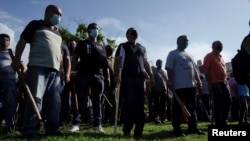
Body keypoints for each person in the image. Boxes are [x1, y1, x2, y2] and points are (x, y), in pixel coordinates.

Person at [11, 4, 63, 137]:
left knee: (54, 101)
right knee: (36, 98)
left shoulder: (57, 32)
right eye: (57, 14)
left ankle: (52, 128)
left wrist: (61, 68)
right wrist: (17, 60)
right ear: (48, 13)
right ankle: (29, 129)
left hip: (55, 71)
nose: (59, 17)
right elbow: (22, 42)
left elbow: (59, 53)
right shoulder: (35, 25)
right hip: (38, 67)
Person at [113, 27, 154, 139]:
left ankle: (139, 131)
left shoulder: (142, 48)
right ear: (127, 35)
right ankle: (127, 130)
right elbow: (117, 61)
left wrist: (151, 76)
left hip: (140, 79)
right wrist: (116, 75)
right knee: (128, 104)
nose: (133, 34)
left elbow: (145, 63)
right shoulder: (123, 46)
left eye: (135, 32)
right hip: (127, 78)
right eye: (131, 32)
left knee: (140, 105)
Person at [69, 22, 110, 133]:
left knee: (97, 101)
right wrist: (73, 71)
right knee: (81, 99)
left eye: (96, 28)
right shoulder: (82, 43)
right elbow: (75, 57)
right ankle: (76, 124)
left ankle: (97, 125)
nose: (95, 30)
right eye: (92, 28)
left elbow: (105, 64)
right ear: (88, 31)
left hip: (98, 75)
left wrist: (107, 77)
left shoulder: (102, 46)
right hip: (83, 74)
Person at [165, 35, 204, 137]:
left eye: (187, 40)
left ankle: (193, 128)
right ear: (178, 42)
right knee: (177, 108)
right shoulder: (173, 54)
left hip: (191, 85)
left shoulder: (190, 55)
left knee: (192, 108)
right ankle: (177, 130)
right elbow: (169, 68)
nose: (186, 42)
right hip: (179, 85)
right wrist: (170, 80)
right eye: (184, 40)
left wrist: (198, 80)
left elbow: (195, 69)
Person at [0, 33, 26, 133]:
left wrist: (21, 78)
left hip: (10, 80)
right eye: (2, 39)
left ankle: (10, 127)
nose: (4, 41)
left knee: (10, 103)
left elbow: (23, 66)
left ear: (9, 42)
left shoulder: (12, 53)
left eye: (6, 39)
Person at [203, 40, 232, 128]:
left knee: (227, 101)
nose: (220, 46)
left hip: (223, 82)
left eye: (221, 45)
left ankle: (224, 120)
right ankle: (219, 122)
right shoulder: (209, 56)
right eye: (218, 45)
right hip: (215, 83)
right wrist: (209, 82)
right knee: (218, 102)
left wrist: (226, 81)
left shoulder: (221, 57)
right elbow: (206, 69)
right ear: (213, 47)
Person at [150, 59, 168, 124]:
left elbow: (166, 80)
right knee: (156, 104)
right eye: (159, 63)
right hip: (156, 90)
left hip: (163, 90)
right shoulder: (154, 70)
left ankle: (162, 118)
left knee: (163, 104)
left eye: (161, 63)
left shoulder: (163, 72)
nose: (160, 64)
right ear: (156, 63)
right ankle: (156, 118)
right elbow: (151, 77)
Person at [59, 43, 71, 126]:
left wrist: (67, 74)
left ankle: (63, 120)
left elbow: (67, 61)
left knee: (64, 100)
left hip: (62, 77)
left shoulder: (63, 47)